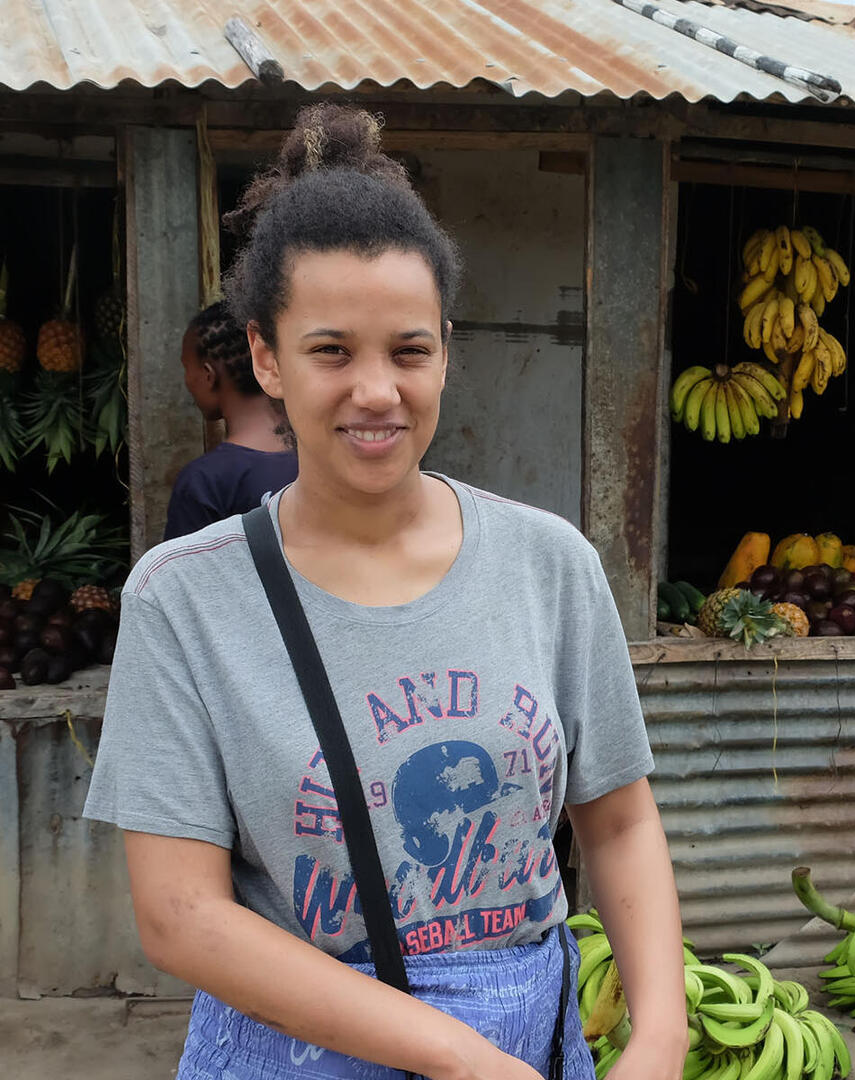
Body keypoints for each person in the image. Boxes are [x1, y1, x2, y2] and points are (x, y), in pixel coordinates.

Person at [83, 104, 686, 1080]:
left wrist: (660, 1032)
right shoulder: (184, 601)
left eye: (408, 350)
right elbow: (181, 917)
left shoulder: (550, 564)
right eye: (331, 351)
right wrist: (452, 1055)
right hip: (299, 1050)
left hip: (529, 1040)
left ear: (446, 350)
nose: (376, 391)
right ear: (267, 358)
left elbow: (617, 821)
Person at [164, 301, 298, 540]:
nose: (186, 380)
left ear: (208, 375)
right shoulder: (321, 456)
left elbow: (185, 575)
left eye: (186, 368)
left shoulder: (204, 482)